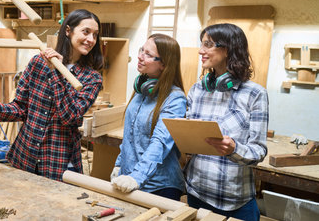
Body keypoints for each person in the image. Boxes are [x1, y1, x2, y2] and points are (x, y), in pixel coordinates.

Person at [0, 9, 103, 182]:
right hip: (25, 158)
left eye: (95, 35)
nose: (91, 40)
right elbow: (20, 109)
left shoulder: (92, 78)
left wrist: (56, 72)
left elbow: (70, 116)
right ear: (68, 30)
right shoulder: (38, 63)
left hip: (58, 163)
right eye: (86, 32)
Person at [184, 23, 269, 221]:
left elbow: (258, 151)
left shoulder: (255, 94)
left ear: (228, 49)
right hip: (196, 194)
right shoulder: (197, 90)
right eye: (201, 44)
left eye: (208, 45)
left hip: (235, 202)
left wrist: (233, 149)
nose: (200, 50)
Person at [110, 34, 187, 201]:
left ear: (164, 64)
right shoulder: (142, 89)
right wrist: (119, 164)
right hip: (131, 179)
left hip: (159, 186)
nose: (139, 56)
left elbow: (160, 143)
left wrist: (136, 177)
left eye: (148, 54)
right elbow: (129, 135)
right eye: (141, 50)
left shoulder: (175, 99)